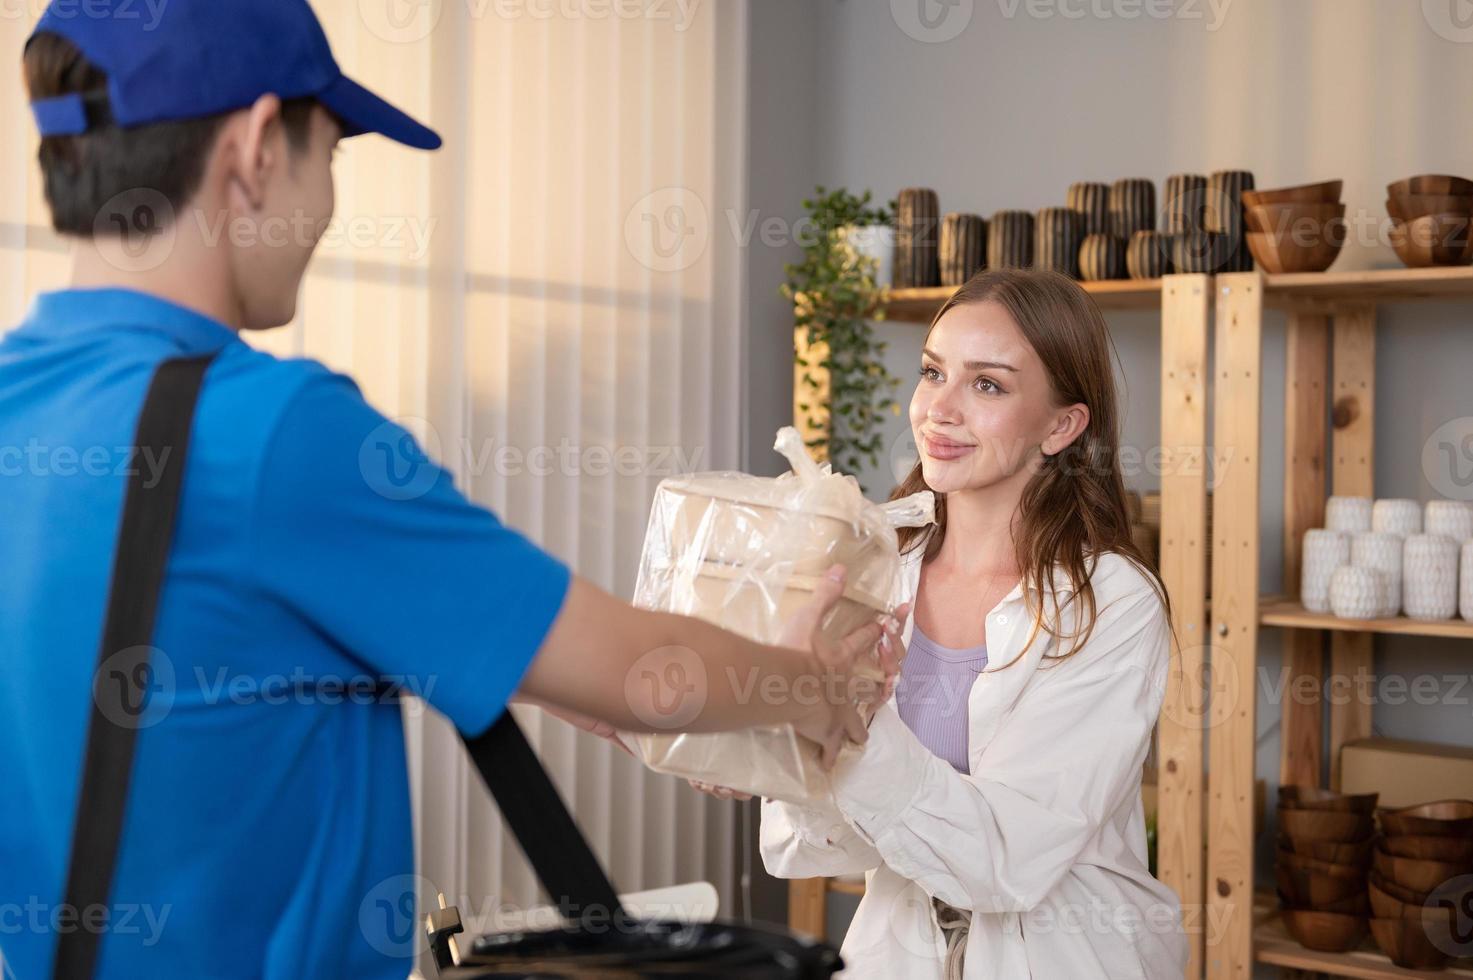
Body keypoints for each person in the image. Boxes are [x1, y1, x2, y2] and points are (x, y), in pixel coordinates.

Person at [0, 1, 905, 977]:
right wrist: (810, 686)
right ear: (259, 147)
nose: (327, 203)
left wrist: (528, 659)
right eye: (331, 154)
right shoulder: (272, 429)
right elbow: (644, 674)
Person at [696, 269, 1188, 977]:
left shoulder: (1110, 603)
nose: (938, 410)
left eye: (986, 384)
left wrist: (840, 726)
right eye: (933, 372)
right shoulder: (872, 569)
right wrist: (766, 753)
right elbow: (817, 847)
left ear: (1060, 425)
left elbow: (1007, 863)